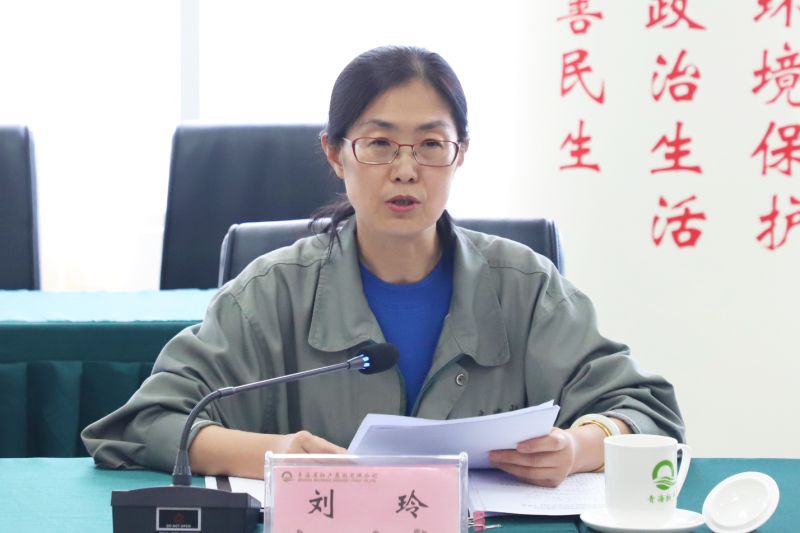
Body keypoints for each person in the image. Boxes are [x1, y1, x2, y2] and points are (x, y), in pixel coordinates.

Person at [82, 45, 684, 488]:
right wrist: (272, 453)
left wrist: (578, 448)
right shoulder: (270, 292)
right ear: (335, 153)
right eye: (379, 144)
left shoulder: (524, 285)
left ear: (460, 154)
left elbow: (646, 410)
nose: (406, 169)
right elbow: (145, 423)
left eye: (431, 144)